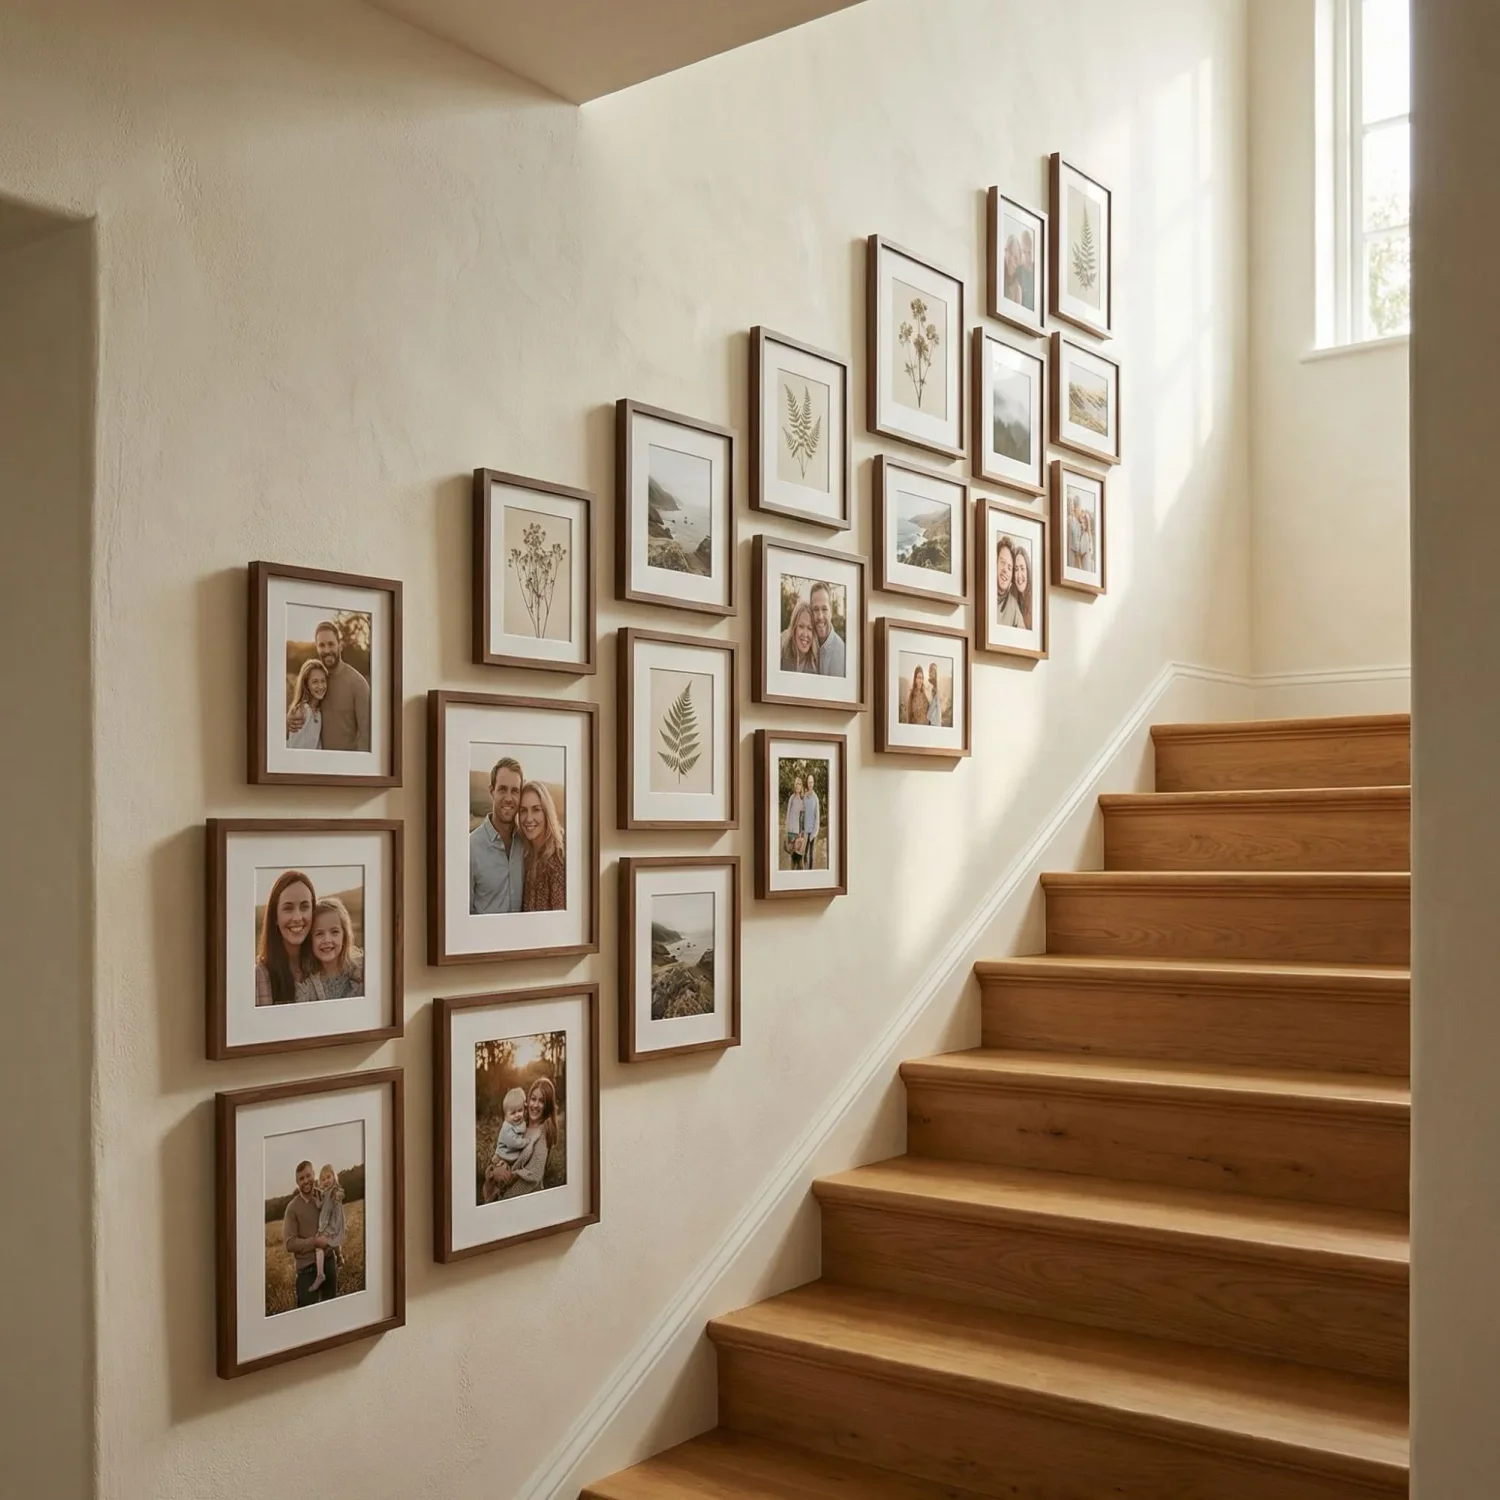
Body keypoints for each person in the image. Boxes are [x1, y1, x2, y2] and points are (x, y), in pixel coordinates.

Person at [285, 622, 370, 753]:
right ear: (317, 648)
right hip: (316, 763)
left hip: (345, 765)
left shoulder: (358, 684)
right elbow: (303, 706)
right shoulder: (319, 681)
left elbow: (367, 737)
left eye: (331, 644)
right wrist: (289, 719)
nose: (326, 650)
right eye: (321, 645)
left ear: (340, 646)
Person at [486, 1078, 559, 1200]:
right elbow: (502, 1152)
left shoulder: (541, 1136)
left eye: (541, 1101)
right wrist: (493, 1171)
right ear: (527, 1101)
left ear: (547, 1106)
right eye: (533, 1099)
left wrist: (503, 1200)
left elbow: (533, 1177)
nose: (535, 1105)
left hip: (523, 1201)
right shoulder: (518, 1124)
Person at [470, 756, 526, 914]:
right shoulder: (471, 847)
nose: (509, 798)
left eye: (515, 791)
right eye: (502, 789)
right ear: (491, 792)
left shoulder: (526, 843)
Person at [282, 1158, 340, 1307]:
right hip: (306, 1271)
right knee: (306, 1318)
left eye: (308, 1176)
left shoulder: (324, 1196)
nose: (306, 1181)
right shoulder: (292, 1208)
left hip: (328, 1261)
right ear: (297, 1182)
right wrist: (314, 1242)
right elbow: (290, 1244)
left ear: (314, 1174)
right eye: (301, 1178)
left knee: (332, 1310)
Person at [255, 870, 315, 1007]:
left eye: (305, 907)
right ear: (275, 916)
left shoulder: (319, 966)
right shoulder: (259, 976)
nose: (298, 917)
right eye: (288, 908)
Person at [300, 896, 364, 1002]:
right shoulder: (306, 983)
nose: (327, 940)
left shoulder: (363, 970)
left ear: (344, 936)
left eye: (334, 932)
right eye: (319, 933)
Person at [518, 779, 566, 913]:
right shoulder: (526, 855)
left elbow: (562, 919)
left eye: (536, 810)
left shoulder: (558, 858)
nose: (528, 818)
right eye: (523, 811)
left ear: (546, 813)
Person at [481, 1088, 530, 1203]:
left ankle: (500, 1192)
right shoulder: (507, 1128)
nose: (517, 1115)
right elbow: (513, 1142)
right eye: (513, 1113)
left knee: (506, 1179)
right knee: (499, 1178)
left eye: (520, 1110)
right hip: (502, 1158)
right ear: (505, 1116)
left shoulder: (519, 1122)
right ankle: (490, 1195)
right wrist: (525, 1142)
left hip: (510, 1158)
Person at [307, 1164, 345, 1293]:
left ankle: (320, 1274)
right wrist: (317, 1197)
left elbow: (340, 1195)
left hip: (331, 1224)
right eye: (322, 1179)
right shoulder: (324, 1194)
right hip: (328, 1224)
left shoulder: (335, 1190)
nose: (326, 1181)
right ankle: (339, 1256)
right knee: (333, 1243)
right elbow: (319, 1206)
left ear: (334, 1177)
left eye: (328, 1177)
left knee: (319, 1246)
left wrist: (337, 1195)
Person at [285, 659, 328, 750]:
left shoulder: (317, 711)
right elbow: (295, 748)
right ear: (306, 684)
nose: (320, 686)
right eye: (315, 682)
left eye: (323, 681)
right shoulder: (302, 711)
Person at [810, 582, 846, 678]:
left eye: (824, 609)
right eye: (816, 609)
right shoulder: (805, 645)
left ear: (831, 611)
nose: (820, 616)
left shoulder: (841, 653)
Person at [779, 598, 819, 673]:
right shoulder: (781, 645)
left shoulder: (816, 659)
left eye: (810, 628)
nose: (805, 634)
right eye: (801, 626)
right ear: (794, 628)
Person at [994, 538, 1026, 630]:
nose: (1005, 570)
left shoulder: (1013, 604)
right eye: (1002, 563)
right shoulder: (984, 593)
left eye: (1009, 567)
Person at [784, 775, 806, 870]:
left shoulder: (802, 801)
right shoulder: (791, 798)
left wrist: (802, 831)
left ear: (801, 787)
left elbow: (803, 817)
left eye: (799, 784)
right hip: (791, 830)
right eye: (796, 784)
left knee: (799, 856)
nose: (798, 786)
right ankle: (792, 873)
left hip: (798, 831)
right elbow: (788, 813)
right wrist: (787, 828)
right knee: (792, 855)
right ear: (794, 785)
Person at [801, 772, 821, 868]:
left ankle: (811, 871)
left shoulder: (816, 798)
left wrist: (814, 831)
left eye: (812, 782)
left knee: (811, 855)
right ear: (807, 783)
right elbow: (803, 812)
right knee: (805, 851)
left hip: (813, 830)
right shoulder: (805, 797)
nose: (810, 784)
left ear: (814, 783)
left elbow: (817, 816)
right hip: (806, 829)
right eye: (809, 782)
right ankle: (804, 867)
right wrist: (802, 828)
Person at [1013, 544, 1034, 631]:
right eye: (1016, 569)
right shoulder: (1012, 595)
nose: (1019, 575)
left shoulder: (1034, 598)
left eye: (1022, 568)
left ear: (1028, 570)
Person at [926, 661, 943, 726]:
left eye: (932, 670)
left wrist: (927, 717)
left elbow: (934, 703)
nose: (930, 672)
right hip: (931, 719)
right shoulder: (929, 684)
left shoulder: (937, 685)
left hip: (934, 720)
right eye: (929, 670)